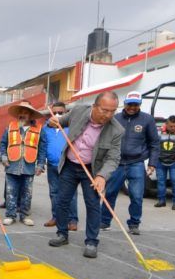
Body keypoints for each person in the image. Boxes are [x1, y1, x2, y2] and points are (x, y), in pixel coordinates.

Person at [47, 91, 124, 258]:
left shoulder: (116, 130)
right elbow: (61, 121)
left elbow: (113, 158)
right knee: (62, 201)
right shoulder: (79, 111)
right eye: (104, 110)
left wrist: (102, 176)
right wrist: (55, 121)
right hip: (69, 164)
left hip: (92, 169)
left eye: (113, 111)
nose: (108, 115)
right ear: (94, 106)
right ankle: (62, 234)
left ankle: (91, 241)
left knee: (93, 205)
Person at [100, 91, 159, 235]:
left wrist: (152, 163)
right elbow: (104, 138)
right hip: (116, 162)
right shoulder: (115, 118)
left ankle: (134, 223)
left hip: (136, 163)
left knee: (137, 196)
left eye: (136, 104)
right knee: (110, 193)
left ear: (139, 105)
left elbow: (154, 143)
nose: (132, 107)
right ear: (124, 103)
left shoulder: (147, 119)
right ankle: (104, 221)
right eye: (130, 104)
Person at [0, 101, 46, 226]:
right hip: (11, 166)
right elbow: (3, 143)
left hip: (29, 167)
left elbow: (42, 148)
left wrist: (41, 165)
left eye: (25, 112)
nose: (22, 115)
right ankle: (10, 215)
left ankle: (24, 216)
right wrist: (3, 156)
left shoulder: (39, 129)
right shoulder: (10, 127)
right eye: (20, 112)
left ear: (30, 115)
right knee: (10, 192)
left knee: (27, 193)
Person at [43, 101, 78, 229]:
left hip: (68, 165)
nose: (57, 115)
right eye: (55, 112)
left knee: (71, 194)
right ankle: (56, 217)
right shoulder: (46, 128)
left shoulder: (72, 127)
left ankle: (72, 220)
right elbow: (42, 145)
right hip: (52, 166)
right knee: (54, 192)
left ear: (66, 113)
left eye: (60, 113)